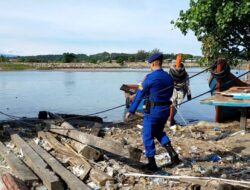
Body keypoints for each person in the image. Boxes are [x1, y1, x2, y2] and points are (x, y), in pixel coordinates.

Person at [125, 53, 181, 171]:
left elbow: (139, 95)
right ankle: (173, 155)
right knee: (158, 132)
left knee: (147, 136)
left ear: (154, 63)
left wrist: (131, 110)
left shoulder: (150, 78)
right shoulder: (168, 77)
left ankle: (152, 164)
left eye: (150, 64)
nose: (149, 66)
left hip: (153, 112)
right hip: (165, 110)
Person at [168, 54, 192, 125]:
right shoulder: (171, 73)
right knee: (172, 102)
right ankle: (170, 118)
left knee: (173, 103)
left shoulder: (185, 75)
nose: (178, 69)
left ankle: (170, 118)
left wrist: (189, 95)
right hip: (173, 90)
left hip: (181, 90)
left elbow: (187, 85)